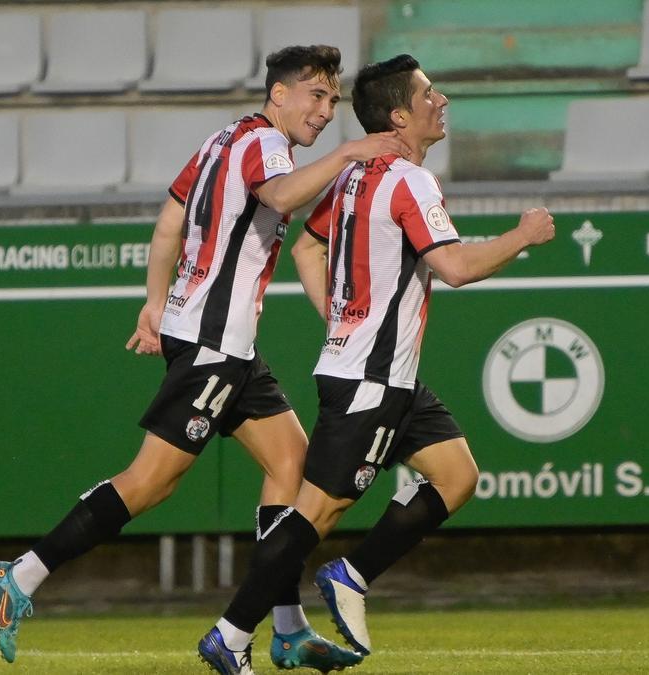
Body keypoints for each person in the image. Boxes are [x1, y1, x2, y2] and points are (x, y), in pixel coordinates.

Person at [0, 46, 411, 671]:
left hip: (221, 341)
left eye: (333, 101)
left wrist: (154, 304)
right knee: (151, 481)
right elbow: (281, 193)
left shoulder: (221, 140)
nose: (325, 112)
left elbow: (167, 225)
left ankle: (286, 628)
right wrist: (348, 153)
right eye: (316, 96)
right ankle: (22, 573)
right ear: (279, 94)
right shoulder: (265, 145)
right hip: (214, 344)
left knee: (292, 464)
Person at [196, 54, 557, 673]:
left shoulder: (354, 178)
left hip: (388, 374)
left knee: (457, 476)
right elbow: (456, 268)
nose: (440, 100)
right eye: (427, 94)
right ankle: (230, 633)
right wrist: (524, 234)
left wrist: (338, 317)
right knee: (316, 513)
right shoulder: (410, 182)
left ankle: (352, 575)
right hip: (370, 378)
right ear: (398, 115)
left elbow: (308, 245)